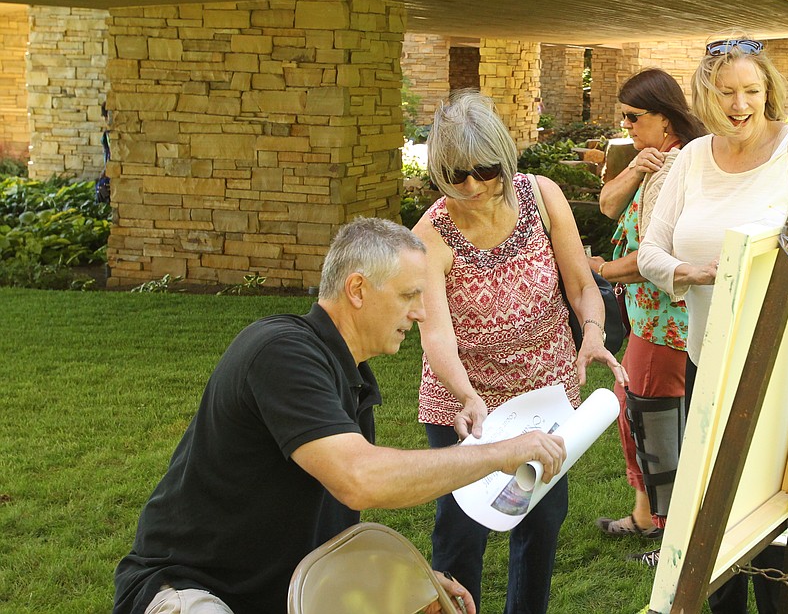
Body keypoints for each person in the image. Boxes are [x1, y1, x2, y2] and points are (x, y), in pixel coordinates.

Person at [113, 217, 568, 614]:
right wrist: (499, 453)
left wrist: (414, 581)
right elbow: (362, 478)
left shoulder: (349, 378)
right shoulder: (281, 352)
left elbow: (331, 532)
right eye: (410, 294)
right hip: (192, 588)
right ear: (357, 289)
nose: (421, 311)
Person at [637, 35, 788, 614]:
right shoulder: (692, 159)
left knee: (771, 515)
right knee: (713, 517)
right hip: (709, 365)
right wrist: (693, 271)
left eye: (751, 90)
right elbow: (650, 251)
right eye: (726, 93)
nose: (739, 104)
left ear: (768, 90)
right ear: (705, 96)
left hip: (780, 367)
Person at [412, 91, 627, 614]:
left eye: (485, 170)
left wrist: (593, 330)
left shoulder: (542, 196)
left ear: (504, 158)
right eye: (456, 175)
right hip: (467, 406)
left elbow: (579, 285)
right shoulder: (429, 235)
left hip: (546, 396)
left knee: (541, 519)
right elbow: (436, 335)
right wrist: (465, 395)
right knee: (462, 533)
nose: (473, 186)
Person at [588, 69, 707, 567]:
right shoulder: (654, 163)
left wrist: (598, 267)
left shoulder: (681, 166)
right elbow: (608, 204)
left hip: (667, 324)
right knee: (635, 416)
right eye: (624, 117)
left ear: (666, 116)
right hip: (646, 321)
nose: (628, 125)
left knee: (663, 432)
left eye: (635, 117)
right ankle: (644, 516)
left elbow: (650, 260)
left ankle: (675, 543)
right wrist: (637, 166)